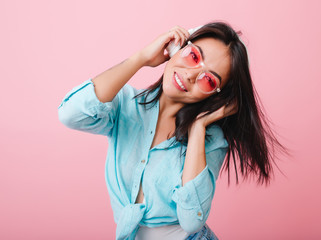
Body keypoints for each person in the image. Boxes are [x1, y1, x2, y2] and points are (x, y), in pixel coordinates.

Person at [58, 21, 289, 240]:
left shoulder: (211, 140)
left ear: (215, 95)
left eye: (208, 80)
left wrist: (198, 127)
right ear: (178, 47)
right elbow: (70, 114)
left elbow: (191, 221)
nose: (190, 75)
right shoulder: (125, 105)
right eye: (193, 56)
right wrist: (142, 58)